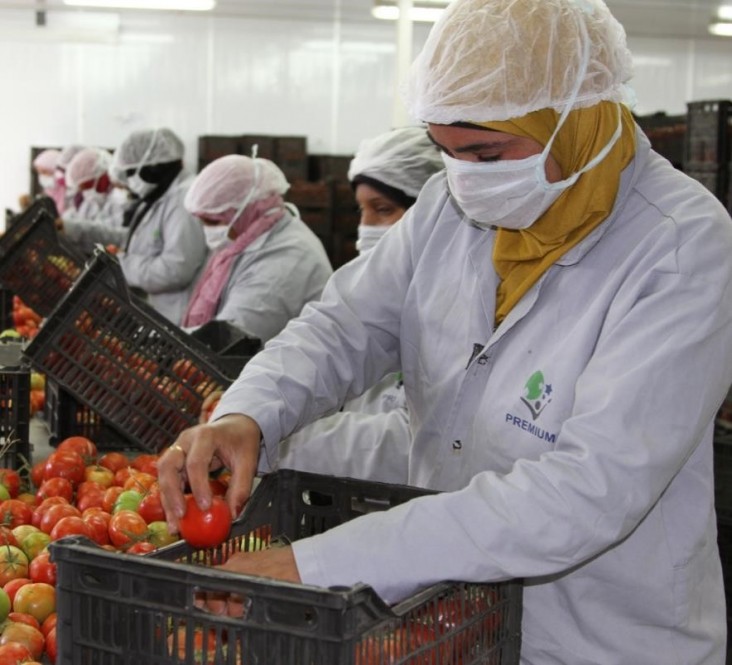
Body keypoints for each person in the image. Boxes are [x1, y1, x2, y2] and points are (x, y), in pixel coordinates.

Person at [157, 1, 732, 663]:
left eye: (487, 151)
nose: (468, 178)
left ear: (574, 118)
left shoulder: (679, 245)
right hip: (453, 620)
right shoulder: (447, 207)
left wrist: (320, 564)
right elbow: (342, 326)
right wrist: (250, 414)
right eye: (446, 151)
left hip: (595, 637)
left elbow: (588, 489)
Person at [276, 126, 443, 483]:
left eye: (383, 209)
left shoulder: (457, 300)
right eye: (362, 210)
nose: (365, 227)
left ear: (427, 214)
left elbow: (416, 445)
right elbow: (333, 338)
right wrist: (251, 414)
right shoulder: (380, 286)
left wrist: (281, 443)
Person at [181, 153, 333, 343]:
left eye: (213, 221)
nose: (207, 230)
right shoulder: (245, 240)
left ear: (245, 210)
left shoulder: (287, 257)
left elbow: (233, 337)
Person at [111, 127, 207, 325]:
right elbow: (136, 239)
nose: (129, 180)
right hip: (158, 310)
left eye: (132, 172)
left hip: (176, 315)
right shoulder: (158, 195)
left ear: (153, 168)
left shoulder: (184, 200)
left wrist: (121, 264)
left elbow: (175, 270)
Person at [59, 147, 129, 254]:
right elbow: (80, 219)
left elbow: (116, 237)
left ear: (102, 176)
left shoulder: (123, 200)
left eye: (88, 187)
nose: (87, 193)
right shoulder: (91, 202)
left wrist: (75, 230)